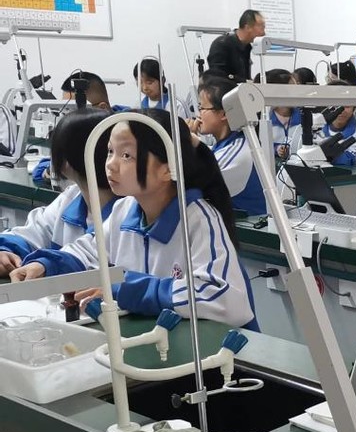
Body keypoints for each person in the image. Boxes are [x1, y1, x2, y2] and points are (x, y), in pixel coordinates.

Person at [10, 109, 256, 329]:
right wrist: (45, 265)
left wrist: (125, 289)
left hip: (221, 354)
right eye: (110, 152)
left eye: (126, 155)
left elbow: (223, 298)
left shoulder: (197, 218)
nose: (111, 165)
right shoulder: (125, 210)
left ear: (167, 168)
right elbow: (88, 252)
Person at [0, 109, 116, 275]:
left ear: (64, 161)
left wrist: (46, 265)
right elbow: (34, 232)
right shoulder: (71, 199)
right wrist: (6, 250)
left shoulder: (124, 211)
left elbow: (87, 255)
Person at [195, 77, 267, 215]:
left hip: (250, 226)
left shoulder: (239, 150)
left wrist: (187, 141)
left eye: (202, 108)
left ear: (223, 114)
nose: (198, 114)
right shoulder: (222, 146)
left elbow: (190, 186)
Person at [206, 10, 264, 83]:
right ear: (248, 27)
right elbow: (217, 77)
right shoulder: (221, 44)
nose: (263, 33)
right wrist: (246, 82)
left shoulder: (247, 47)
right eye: (261, 28)